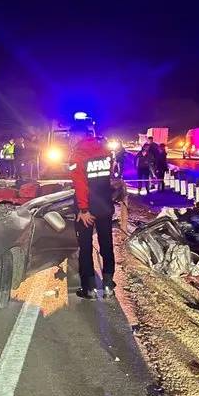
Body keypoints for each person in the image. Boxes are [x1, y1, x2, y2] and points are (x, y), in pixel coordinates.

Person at [69, 120, 116, 299]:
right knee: (106, 244)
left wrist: (83, 209)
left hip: (87, 208)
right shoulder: (104, 150)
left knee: (86, 246)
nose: (70, 140)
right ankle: (108, 284)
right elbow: (108, 176)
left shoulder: (78, 154)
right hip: (105, 205)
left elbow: (80, 185)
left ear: (77, 135)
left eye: (71, 136)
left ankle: (88, 288)